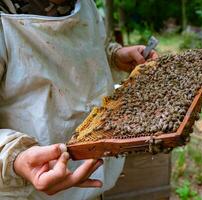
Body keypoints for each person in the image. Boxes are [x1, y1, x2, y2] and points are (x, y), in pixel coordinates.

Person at [0, 0, 157, 199]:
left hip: (95, 178)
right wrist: (15, 158)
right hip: (28, 192)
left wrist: (114, 57)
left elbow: (87, 48)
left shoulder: (85, 4)